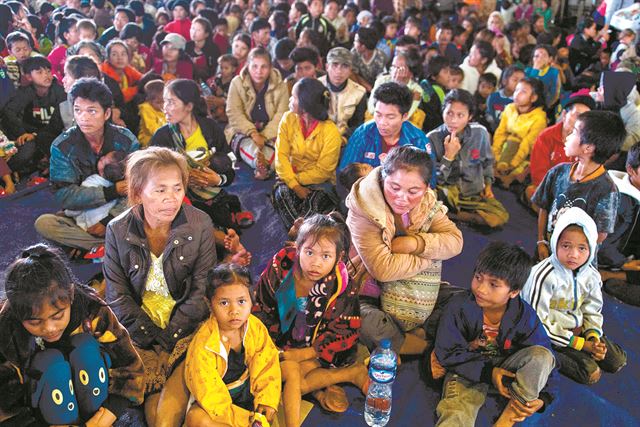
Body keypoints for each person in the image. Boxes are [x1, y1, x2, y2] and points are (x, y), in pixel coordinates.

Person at [103, 147, 215, 427]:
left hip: (186, 328)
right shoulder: (117, 230)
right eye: (160, 190)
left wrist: (167, 342)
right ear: (138, 192)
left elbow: (202, 292)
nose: (171, 199)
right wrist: (150, 341)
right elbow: (118, 298)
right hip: (138, 332)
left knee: (166, 417)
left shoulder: (200, 223)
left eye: (177, 188)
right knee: (155, 416)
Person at [0, 244, 144, 425]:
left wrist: (109, 413)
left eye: (57, 316)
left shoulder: (92, 311)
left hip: (97, 405)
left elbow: (130, 367)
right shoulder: (6, 330)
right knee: (51, 366)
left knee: (85, 351)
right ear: (17, 314)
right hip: (44, 416)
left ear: (71, 294)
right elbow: (7, 406)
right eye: (35, 322)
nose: (49, 328)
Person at [346, 146, 463, 356]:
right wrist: (431, 258)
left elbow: (455, 241)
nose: (401, 198)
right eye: (394, 187)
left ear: (426, 188)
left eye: (413, 191)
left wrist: (415, 244)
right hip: (369, 293)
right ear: (383, 177)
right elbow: (383, 269)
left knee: (465, 301)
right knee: (365, 321)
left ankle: (407, 339)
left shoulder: (426, 202)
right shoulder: (364, 206)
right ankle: (429, 350)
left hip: (414, 288)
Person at [253, 213, 369, 426]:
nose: (315, 263)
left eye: (326, 256)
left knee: (293, 383)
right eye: (309, 252)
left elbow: (343, 330)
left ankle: (348, 373)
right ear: (297, 249)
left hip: (321, 351)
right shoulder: (282, 265)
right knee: (277, 378)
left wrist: (305, 353)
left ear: (339, 257)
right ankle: (328, 384)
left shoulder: (340, 285)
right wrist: (268, 348)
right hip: (281, 344)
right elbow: (262, 306)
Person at [433, 242, 555, 427]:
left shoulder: (524, 317)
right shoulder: (459, 307)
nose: (481, 288)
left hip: (507, 369)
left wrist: (545, 397)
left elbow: (547, 358)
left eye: (493, 284)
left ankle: (507, 418)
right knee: (456, 411)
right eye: (478, 277)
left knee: (541, 356)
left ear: (513, 292)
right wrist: (488, 373)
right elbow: (447, 352)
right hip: (468, 368)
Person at [34, 78, 139, 256]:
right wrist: (110, 191)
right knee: (44, 224)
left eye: (91, 111)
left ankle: (90, 245)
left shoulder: (126, 140)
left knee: (145, 209)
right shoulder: (62, 146)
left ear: (106, 114)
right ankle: (107, 245)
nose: (83, 117)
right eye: (77, 110)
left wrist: (108, 220)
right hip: (81, 215)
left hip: (119, 215)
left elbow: (136, 187)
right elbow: (64, 196)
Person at [522, 207, 627, 384]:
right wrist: (580, 345)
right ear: (555, 242)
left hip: (577, 330)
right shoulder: (543, 275)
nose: (573, 254)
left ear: (591, 249)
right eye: (566, 246)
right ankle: (553, 356)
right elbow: (537, 322)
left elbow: (592, 310)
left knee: (618, 361)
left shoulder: (591, 275)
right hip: (549, 334)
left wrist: (593, 337)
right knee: (590, 374)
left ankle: (588, 347)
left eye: (582, 248)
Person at [150, 79, 252, 254]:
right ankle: (221, 239)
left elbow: (230, 167)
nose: (164, 107)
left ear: (189, 106)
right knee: (198, 239)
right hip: (184, 201)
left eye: (171, 102)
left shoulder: (210, 129)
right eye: (164, 101)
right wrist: (183, 180)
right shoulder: (163, 137)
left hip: (213, 194)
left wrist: (217, 179)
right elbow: (152, 177)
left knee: (220, 232)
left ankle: (224, 234)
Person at [184, 264, 281, 427]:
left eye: (242, 301)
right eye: (224, 303)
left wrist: (266, 401)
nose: (234, 310)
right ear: (209, 304)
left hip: (248, 388)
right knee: (195, 418)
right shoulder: (203, 343)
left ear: (252, 300)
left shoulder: (255, 327)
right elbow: (210, 395)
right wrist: (247, 420)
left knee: (285, 376)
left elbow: (267, 365)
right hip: (219, 402)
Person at [533, 111, 627, 260]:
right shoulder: (558, 171)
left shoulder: (607, 190)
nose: (568, 135)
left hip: (575, 261)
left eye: (575, 132)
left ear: (588, 148)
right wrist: (541, 241)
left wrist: (571, 254)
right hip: (547, 249)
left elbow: (600, 235)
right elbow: (544, 207)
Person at [428, 89, 509, 228]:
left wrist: (488, 186)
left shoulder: (480, 133)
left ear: (470, 116)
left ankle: (452, 216)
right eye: (449, 113)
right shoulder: (431, 138)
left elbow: (488, 162)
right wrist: (448, 156)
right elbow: (435, 181)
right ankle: (451, 214)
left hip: (472, 193)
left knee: (500, 217)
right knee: (428, 198)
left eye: (460, 115)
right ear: (443, 112)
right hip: (446, 195)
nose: (453, 120)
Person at [272, 78, 342, 230]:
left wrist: (294, 180)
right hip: (291, 178)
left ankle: (297, 233)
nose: (290, 100)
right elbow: (281, 155)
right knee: (282, 194)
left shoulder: (331, 132)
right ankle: (301, 233)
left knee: (313, 202)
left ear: (305, 105)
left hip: (319, 183)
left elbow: (323, 171)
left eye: (294, 97)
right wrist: (295, 185)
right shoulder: (288, 119)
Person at [339, 82, 435, 184]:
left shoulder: (418, 140)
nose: (382, 123)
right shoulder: (362, 134)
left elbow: (429, 182)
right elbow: (345, 176)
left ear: (405, 116)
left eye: (390, 117)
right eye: (378, 115)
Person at [226, 47, 288, 180]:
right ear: (247, 66)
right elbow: (234, 113)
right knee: (245, 143)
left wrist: (264, 136)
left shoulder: (280, 85)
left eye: (264, 67)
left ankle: (263, 166)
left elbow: (282, 115)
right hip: (244, 129)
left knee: (279, 144)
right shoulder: (237, 83)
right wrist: (253, 133)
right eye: (254, 66)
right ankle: (260, 163)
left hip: (272, 130)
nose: (258, 71)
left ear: (271, 67)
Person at [526, 92, 595, 205]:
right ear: (564, 115)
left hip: (570, 194)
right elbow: (538, 173)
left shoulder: (587, 146)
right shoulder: (546, 136)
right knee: (532, 192)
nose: (580, 123)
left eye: (585, 119)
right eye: (577, 115)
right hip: (546, 188)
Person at [2, 56, 66, 178]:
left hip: (52, 134)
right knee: (26, 150)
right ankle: (8, 175)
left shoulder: (59, 92)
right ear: (29, 77)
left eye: (48, 71)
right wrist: (22, 133)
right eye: (39, 72)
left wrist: (36, 135)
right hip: (29, 135)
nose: (46, 75)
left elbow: (58, 123)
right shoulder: (26, 92)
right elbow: (9, 111)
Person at [599, 143, 640, 306]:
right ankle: (609, 276)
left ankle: (611, 276)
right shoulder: (616, 197)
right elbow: (600, 242)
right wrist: (623, 263)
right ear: (631, 170)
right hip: (609, 259)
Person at [492, 77, 547, 188]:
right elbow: (500, 133)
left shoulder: (539, 118)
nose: (517, 94)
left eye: (523, 92)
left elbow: (527, 145)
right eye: (517, 90)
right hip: (504, 149)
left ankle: (504, 175)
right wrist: (495, 155)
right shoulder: (509, 108)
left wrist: (512, 164)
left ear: (533, 98)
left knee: (521, 169)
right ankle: (498, 172)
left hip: (522, 156)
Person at [318, 47, 367, 143]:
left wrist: (344, 139)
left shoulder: (359, 92)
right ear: (327, 67)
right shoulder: (316, 86)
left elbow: (357, 124)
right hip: (319, 140)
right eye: (334, 65)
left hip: (346, 141)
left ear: (350, 70)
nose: (339, 71)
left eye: (345, 66)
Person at [366, 49, 425, 128]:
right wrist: (393, 84)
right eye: (393, 66)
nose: (394, 71)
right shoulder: (382, 80)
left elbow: (405, 116)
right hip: (377, 122)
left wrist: (399, 87)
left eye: (399, 68)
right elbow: (371, 109)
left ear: (410, 73)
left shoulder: (417, 90)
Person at [485, 65, 524, 132]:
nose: (519, 84)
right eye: (515, 80)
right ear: (504, 81)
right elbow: (489, 114)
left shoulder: (520, 101)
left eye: (521, 81)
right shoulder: (493, 97)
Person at [350, 27, 388, 93]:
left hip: (377, 90)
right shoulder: (354, 53)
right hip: (359, 87)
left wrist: (372, 91)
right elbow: (353, 73)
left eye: (355, 41)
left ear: (363, 46)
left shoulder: (381, 58)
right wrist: (366, 87)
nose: (354, 43)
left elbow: (382, 81)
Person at [420, 55, 452, 133]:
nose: (449, 75)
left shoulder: (423, 83)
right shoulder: (438, 90)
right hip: (435, 130)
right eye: (445, 72)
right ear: (434, 76)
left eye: (449, 71)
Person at [525, 44, 561, 111]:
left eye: (544, 56)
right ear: (533, 59)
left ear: (550, 59)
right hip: (527, 104)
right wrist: (535, 70)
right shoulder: (527, 71)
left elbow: (555, 92)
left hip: (545, 106)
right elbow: (526, 87)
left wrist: (547, 106)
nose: (540, 59)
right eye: (536, 56)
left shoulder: (553, 72)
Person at [186, 16, 220, 83]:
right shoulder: (187, 46)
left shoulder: (213, 49)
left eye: (198, 30)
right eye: (192, 28)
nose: (194, 32)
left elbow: (214, 69)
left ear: (206, 34)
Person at [138, 79, 166, 147]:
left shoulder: (166, 108)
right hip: (149, 142)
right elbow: (151, 128)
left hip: (163, 138)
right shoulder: (146, 108)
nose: (162, 105)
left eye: (164, 101)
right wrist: (166, 133)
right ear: (149, 100)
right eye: (158, 102)